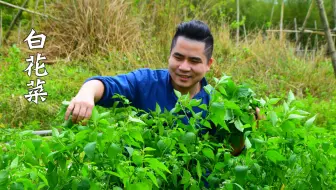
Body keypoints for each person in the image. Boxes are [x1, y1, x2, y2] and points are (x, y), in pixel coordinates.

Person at [64, 20, 252, 156]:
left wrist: (243, 126)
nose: (184, 67)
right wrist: (86, 94)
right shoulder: (146, 82)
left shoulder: (218, 102)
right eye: (178, 57)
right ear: (170, 55)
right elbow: (106, 85)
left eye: (194, 61)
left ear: (208, 64)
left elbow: (231, 151)